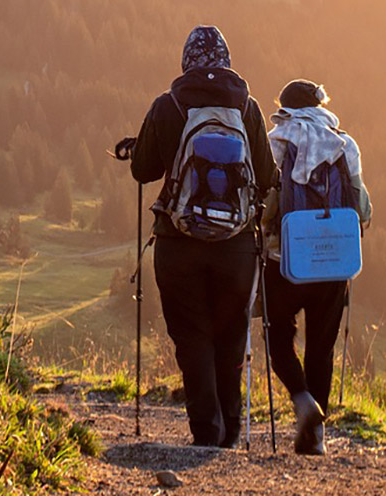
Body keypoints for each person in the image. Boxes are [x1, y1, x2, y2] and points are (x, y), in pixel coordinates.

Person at [129, 26, 277, 448]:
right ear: (226, 61)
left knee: (192, 334)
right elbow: (266, 177)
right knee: (231, 334)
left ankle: (206, 431)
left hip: (178, 244)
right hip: (236, 247)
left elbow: (143, 171)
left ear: (186, 62)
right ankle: (231, 430)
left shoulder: (169, 105)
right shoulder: (247, 109)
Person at [262, 79, 373, 455]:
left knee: (278, 338)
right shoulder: (344, 143)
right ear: (320, 104)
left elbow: (262, 205)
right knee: (321, 349)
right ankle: (317, 438)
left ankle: (302, 399)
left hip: (285, 262)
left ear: (285, 106)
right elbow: (363, 209)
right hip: (334, 262)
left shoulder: (274, 141)